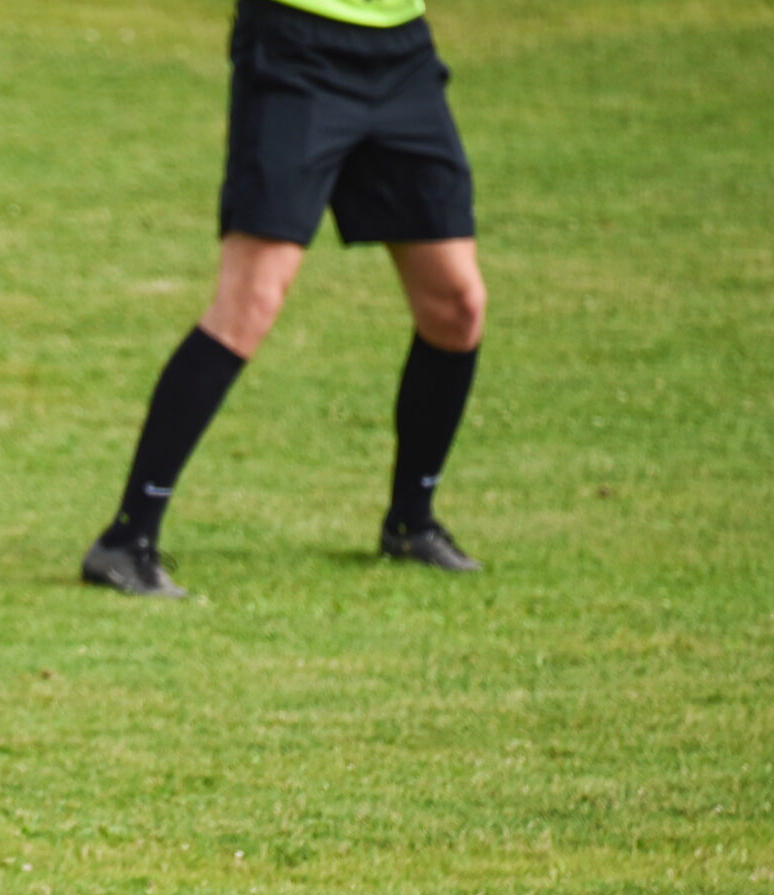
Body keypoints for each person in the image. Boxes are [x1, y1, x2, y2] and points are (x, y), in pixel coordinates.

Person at [81, 0, 491, 597]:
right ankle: (125, 540)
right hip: (297, 50)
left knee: (457, 306)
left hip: (402, 51)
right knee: (250, 300)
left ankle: (411, 523)